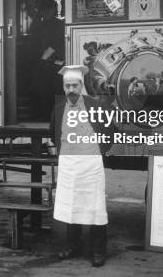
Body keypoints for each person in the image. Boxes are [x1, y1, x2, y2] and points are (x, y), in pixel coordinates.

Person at [50, 65, 114, 267]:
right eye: (67, 86)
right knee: (71, 205)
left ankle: (98, 251)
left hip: (90, 163)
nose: (71, 89)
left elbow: (110, 131)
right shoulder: (59, 107)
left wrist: (99, 152)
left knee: (95, 207)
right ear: (63, 87)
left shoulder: (96, 106)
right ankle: (73, 245)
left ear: (81, 86)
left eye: (75, 85)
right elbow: (53, 132)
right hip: (69, 164)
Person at [29, 0, 64, 121]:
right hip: (43, 63)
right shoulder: (39, 25)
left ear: (54, 9)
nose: (46, 12)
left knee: (51, 90)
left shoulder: (59, 25)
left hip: (54, 63)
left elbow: (55, 44)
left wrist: (43, 60)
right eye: (43, 9)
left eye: (48, 9)